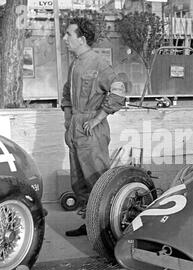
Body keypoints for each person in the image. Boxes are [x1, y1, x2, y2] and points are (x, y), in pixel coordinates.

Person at [61, 17, 126, 236]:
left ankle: (105, 229)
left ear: (81, 38)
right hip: (76, 128)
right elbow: (66, 93)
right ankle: (89, 223)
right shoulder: (75, 63)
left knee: (97, 180)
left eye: (69, 34)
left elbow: (118, 91)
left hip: (91, 131)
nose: (65, 38)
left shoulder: (98, 63)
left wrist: (98, 119)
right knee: (79, 181)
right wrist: (68, 119)